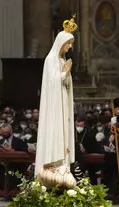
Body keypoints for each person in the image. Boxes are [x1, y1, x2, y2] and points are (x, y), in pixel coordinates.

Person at [34, 16, 77, 178]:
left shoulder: (61, 60)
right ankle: (52, 167)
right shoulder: (51, 60)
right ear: (61, 43)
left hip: (63, 105)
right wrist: (64, 73)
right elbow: (51, 84)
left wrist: (66, 75)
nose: (70, 46)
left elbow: (65, 84)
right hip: (54, 107)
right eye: (69, 43)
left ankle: (62, 169)